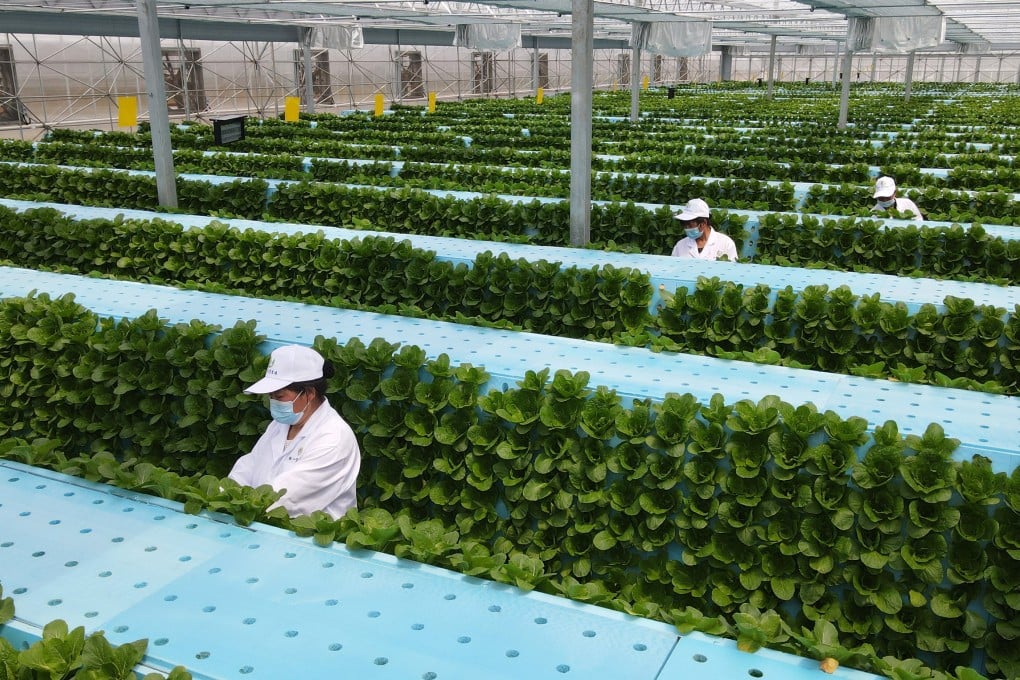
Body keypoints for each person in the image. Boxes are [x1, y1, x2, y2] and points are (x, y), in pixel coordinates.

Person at [228, 344, 361, 519]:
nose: (273, 401)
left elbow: (287, 499)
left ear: (309, 393)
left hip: (311, 537)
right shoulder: (280, 425)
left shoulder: (334, 438)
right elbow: (250, 465)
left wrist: (240, 505)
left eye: (279, 396)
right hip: (265, 524)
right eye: (270, 396)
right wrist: (226, 493)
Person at [670, 198, 739, 261]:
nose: (686, 229)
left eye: (690, 225)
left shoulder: (726, 243)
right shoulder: (680, 245)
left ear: (703, 223)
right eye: (684, 225)